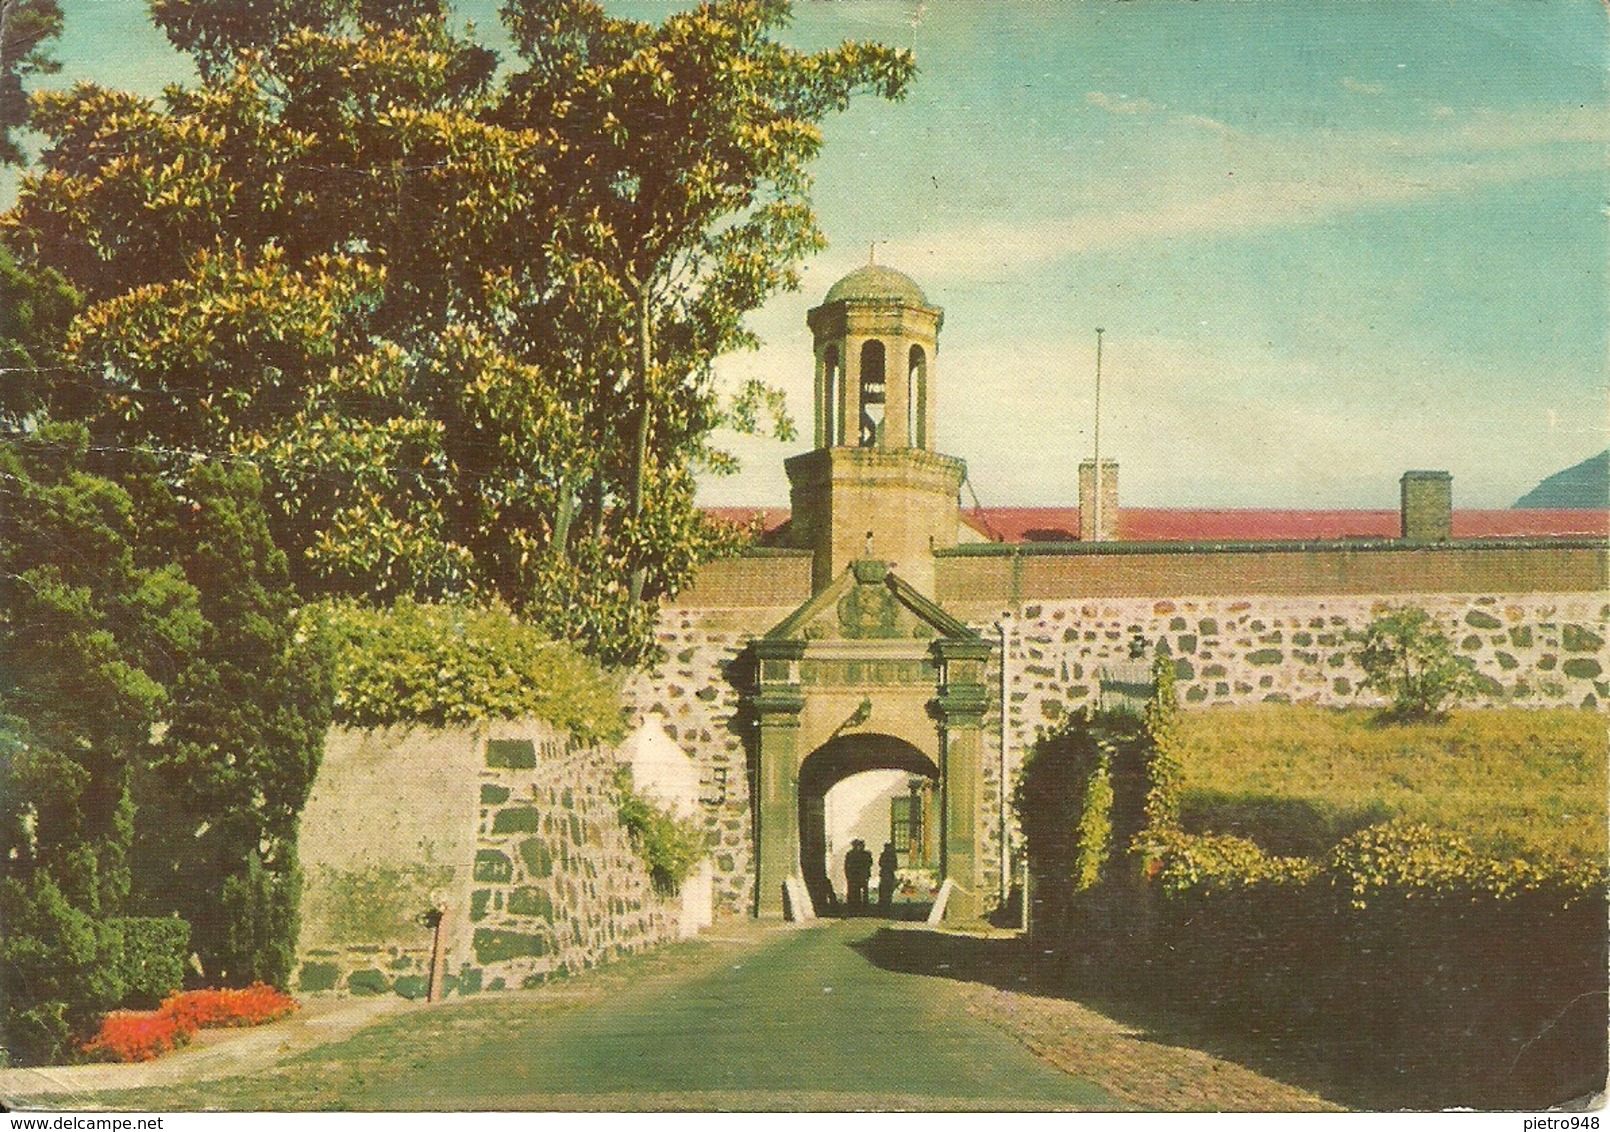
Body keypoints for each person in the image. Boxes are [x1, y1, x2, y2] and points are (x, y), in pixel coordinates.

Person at [844, 839, 873, 912]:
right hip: (857, 875)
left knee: (859, 890)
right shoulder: (853, 854)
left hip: (858, 875)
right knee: (856, 890)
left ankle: (858, 905)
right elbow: (847, 865)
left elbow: (869, 863)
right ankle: (857, 905)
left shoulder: (852, 854)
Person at [878, 841, 898, 912]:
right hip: (888, 874)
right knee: (887, 890)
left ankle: (883, 904)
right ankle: (886, 904)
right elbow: (895, 866)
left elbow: (880, 863)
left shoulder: (884, 855)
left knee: (884, 890)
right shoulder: (892, 855)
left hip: (885, 874)